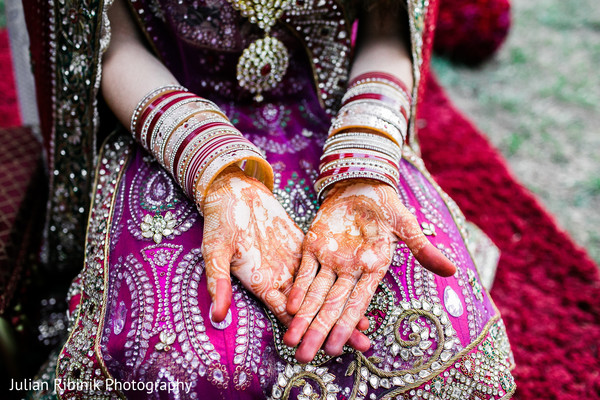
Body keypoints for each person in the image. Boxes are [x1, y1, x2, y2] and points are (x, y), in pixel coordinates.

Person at [24, 0, 516, 399]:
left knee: (448, 340)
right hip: (173, 121)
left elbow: (387, 34)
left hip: (339, 118)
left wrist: (363, 170)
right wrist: (218, 172)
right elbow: (111, 46)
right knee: (172, 363)